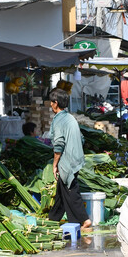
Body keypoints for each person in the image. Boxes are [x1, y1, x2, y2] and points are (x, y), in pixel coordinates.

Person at [46, 88, 91, 231]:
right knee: (62, 190)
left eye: (51, 102)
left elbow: (58, 145)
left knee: (71, 190)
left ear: (55, 103)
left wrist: (55, 164)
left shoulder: (59, 119)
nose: (50, 105)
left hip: (67, 161)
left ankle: (84, 219)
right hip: (76, 158)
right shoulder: (70, 117)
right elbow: (82, 138)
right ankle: (53, 218)